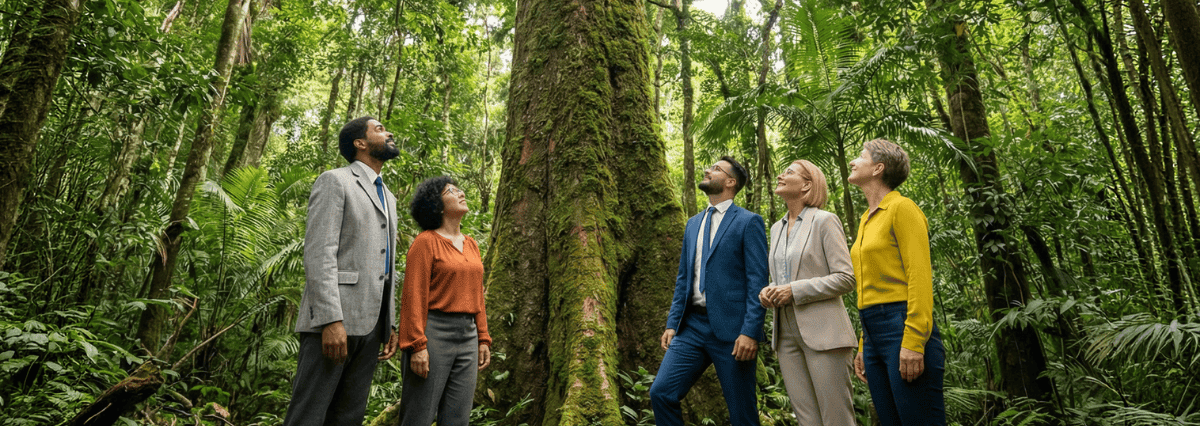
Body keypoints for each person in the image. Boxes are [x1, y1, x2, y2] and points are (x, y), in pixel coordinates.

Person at [283, 116, 401, 426]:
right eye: (379, 129)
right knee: (309, 414)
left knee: (349, 416)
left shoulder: (388, 196)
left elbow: (387, 262)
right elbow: (319, 253)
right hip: (334, 321)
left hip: (372, 326)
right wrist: (330, 319)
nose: (388, 133)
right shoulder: (334, 180)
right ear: (360, 143)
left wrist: (389, 322)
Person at [649, 156, 769, 426]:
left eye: (716, 169)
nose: (707, 170)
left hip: (733, 331)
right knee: (661, 393)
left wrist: (750, 331)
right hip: (691, 327)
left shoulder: (749, 222)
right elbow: (684, 278)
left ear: (730, 182)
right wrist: (672, 322)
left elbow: (757, 281)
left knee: (742, 412)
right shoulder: (693, 223)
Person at [848, 139, 945, 425]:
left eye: (860, 157)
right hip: (873, 330)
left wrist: (914, 341)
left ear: (878, 168)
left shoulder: (903, 208)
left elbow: (919, 276)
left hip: (902, 325)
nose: (853, 161)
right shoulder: (866, 218)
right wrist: (865, 344)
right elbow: (868, 290)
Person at [758, 159, 856, 425]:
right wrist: (768, 291)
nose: (780, 174)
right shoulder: (776, 227)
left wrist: (795, 290)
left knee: (836, 418)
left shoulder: (825, 221)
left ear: (807, 185)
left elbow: (846, 278)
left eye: (789, 172)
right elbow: (782, 276)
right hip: (785, 335)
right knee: (807, 419)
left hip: (824, 334)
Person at [396, 176, 492, 426]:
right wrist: (416, 345)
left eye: (459, 189)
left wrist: (483, 337)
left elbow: (477, 295)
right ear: (437, 206)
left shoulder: (471, 244)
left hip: (468, 337)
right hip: (434, 333)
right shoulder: (425, 243)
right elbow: (412, 296)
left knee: (458, 418)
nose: (460, 193)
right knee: (419, 415)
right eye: (451, 191)